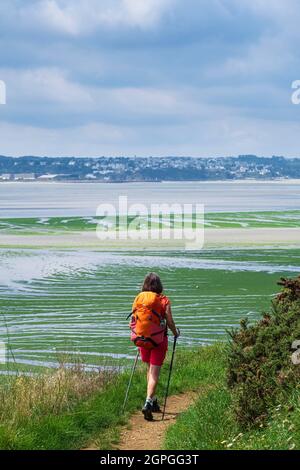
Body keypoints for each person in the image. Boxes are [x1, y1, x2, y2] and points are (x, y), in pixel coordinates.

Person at [132, 272, 179, 421]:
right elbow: (169, 321)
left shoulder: (139, 298)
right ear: (159, 285)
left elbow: (133, 320)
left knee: (149, 370)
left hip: (142, 339)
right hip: (158, 341)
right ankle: (148, 402)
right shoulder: (163, 300)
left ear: (145, 284)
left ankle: (153, 400)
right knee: (154, 372)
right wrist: (175, 332)